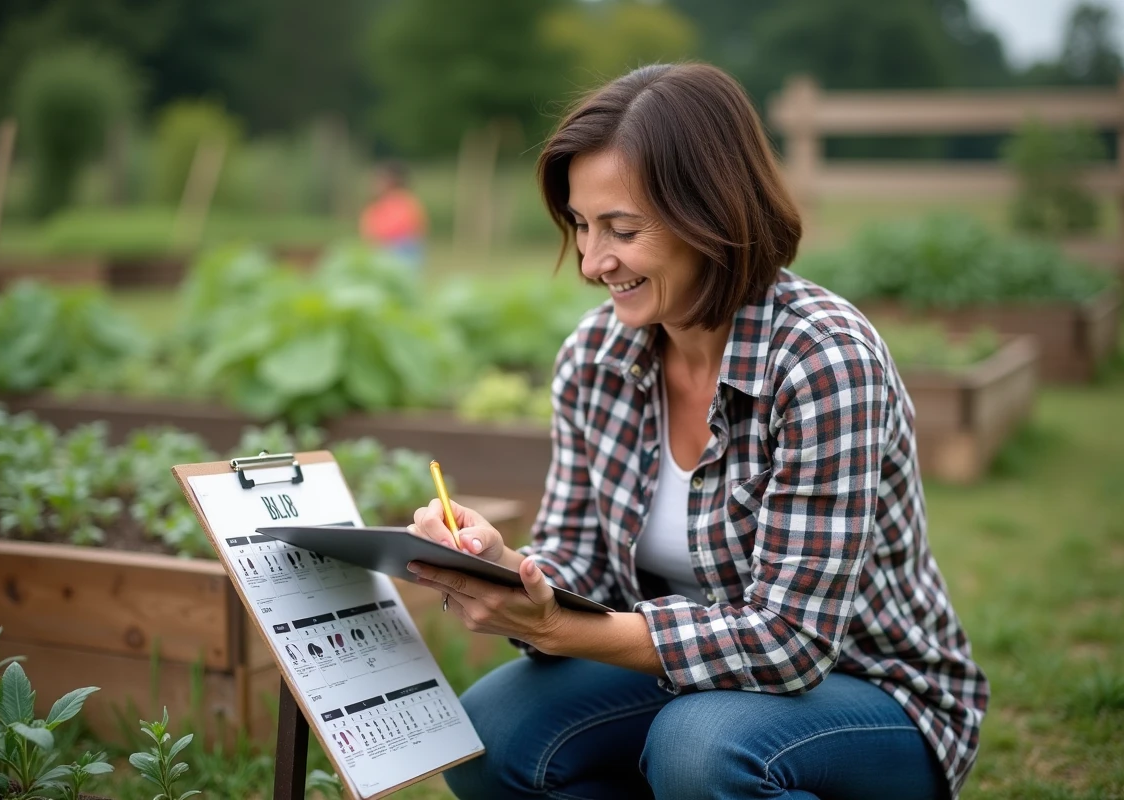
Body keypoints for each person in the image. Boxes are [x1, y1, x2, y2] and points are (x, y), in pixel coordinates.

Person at [406, 63, 988, 800]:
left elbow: (792, 644)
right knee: (486, 736)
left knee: (698, 748)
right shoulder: (596, 356)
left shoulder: (822, 359)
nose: (591, 261)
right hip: (693, 673)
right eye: (582, 226)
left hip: (868, 686)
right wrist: (508, 570)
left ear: (710, 214)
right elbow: (578, 557)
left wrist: (563, 632)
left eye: (622, 229)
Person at [358, 160, 428, 268]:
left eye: (380, 179)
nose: (375, 184)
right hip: (379, 252)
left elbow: (403, 230)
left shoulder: (404, 201)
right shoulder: (376, 205)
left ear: (393, 181)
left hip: (400, 253)